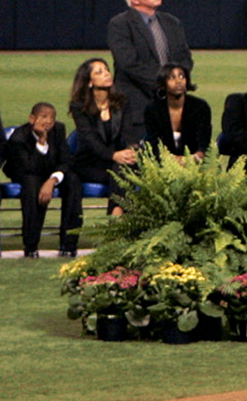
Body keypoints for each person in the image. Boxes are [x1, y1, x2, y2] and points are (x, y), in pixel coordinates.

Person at [107, 0, 194, 138]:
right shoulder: (120, 25)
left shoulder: (172, 22)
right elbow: (129, 64)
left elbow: (185, 58)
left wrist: (177, 80)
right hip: (138, 109)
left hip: (174, 108)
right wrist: (164, 83)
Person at [5, 102, 76, 258]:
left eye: (52, 118)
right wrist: (42, 142)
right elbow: (30, 167)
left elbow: (66, 160)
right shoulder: (19, 137)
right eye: (44, 117)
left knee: (73, 181)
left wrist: (52, 180)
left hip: (49, 172)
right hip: (25, 173)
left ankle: (69, 243)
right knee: (32, 184)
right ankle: (31, 245)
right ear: (32, 119)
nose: (48, 121)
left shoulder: (58, 130)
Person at [69, 58, 138, 219]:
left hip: (117, 162)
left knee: (123, 169)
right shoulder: (79, 107)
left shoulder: (122, 102)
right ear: (89, 82)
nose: (107, 74)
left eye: (107, 70)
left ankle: (115, 215)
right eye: (99, 72)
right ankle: (118, 219)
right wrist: (113, 155)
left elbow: (128, 133)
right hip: (90, 162)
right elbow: (89, 139)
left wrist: (131, 150)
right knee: (120, 175)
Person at [142, 63, 211, 159]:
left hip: (195, 162)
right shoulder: (153, 109)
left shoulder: (200, 107)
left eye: (182, 77)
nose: (178, 81)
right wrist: (171, 159)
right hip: (162, 162)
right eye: (172, 78)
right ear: (163, 84)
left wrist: (191, 159)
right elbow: (153, 144)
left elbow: (203, 144)